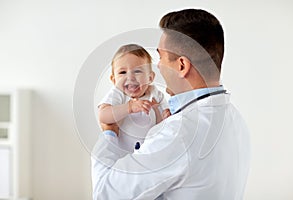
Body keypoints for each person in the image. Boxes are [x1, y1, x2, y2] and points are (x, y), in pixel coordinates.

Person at [92, 8, 250, 200]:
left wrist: (109, 133)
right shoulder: (235, 118)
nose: (158, 66)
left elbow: (104, 193)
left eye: (161, 57)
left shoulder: (177, 134)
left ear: (182, 66)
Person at [98, 44, 170, 151]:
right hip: (122, 155)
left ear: (150, 77)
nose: (130, 77)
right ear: (114, 80)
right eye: (123, 72)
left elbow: (161, 126)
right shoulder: (118, 94)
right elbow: (103, 116)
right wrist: (129, 107)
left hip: (149, 153)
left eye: (137, 71)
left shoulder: (155, 94)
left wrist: (165, 117)